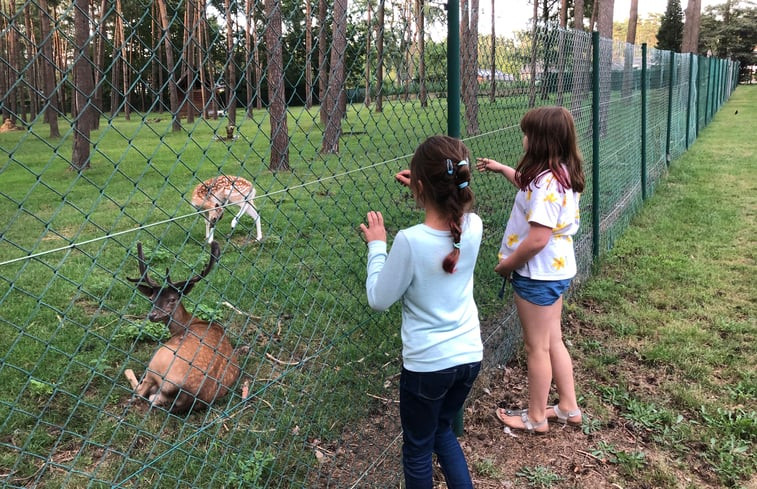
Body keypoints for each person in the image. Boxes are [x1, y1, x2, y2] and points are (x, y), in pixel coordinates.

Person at [359, 135, 483, 488]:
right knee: (443, 430)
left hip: (427, 367)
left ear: (419, 187)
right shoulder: (473, 226)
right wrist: (425, 190)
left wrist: (377, 246)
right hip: (469, 357)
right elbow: (449, 214)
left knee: (417, 449)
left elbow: (379, 298)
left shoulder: (410, 241)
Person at [477, 106, 584, 434]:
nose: (523, 137)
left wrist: (508, 264)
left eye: (527, 133)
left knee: (536, 347)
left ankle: (536, 417)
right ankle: (568, 407)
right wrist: (501, 169)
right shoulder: (559, 173)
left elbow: (537, 239)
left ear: (540, 141)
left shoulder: (546, 186)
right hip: (557, 270)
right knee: (554, 340)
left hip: (537, 275)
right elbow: (526, 186)